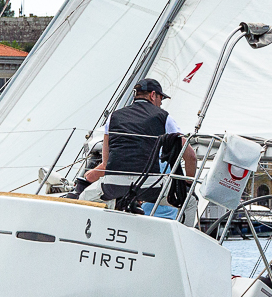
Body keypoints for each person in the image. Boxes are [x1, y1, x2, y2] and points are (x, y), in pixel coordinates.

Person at [84, 78, 197, 206]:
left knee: (83, 197)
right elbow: (191, 156)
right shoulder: (164, 117)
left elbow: (105, 164)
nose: (161, 103)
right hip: (148, 185)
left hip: (113, 184)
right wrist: (187, 184)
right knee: (190, 202)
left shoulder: (113, 116)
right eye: (161, 98)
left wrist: (89, 176)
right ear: (153, 95)